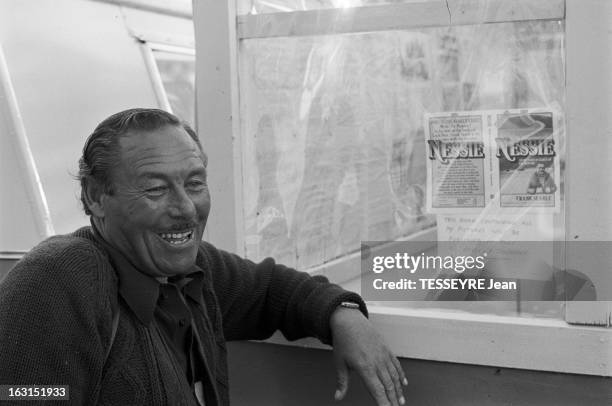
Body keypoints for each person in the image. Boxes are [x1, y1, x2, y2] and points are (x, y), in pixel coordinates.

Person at [0, 109, 407, 406]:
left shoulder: (193, 270)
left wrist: (344, 314)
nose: (186, 208)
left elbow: (271, 290)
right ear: (95, 197)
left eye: (194, 183)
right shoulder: (56, 280)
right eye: (156, 190)